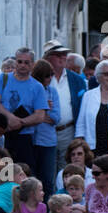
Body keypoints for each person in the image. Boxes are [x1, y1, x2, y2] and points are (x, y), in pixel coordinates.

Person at [0, 47, 47, 168]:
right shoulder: (3, 78)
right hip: (3, 134)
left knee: (23, 173)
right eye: (19, 61)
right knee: (4, 172)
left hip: (24, 138)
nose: (22, 65)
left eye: (26, 62)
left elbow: (40, 116)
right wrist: (10, 117)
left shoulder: (37, 87)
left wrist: (20, 122)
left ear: (32, 64)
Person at [43, 40, 87, 171]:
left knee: (67, 170)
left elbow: (82, 108)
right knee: (47, 170)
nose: (63, 57)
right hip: (45, 130)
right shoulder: (39, 79)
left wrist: (80, 135)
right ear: (47, 58)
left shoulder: (77, 80)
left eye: (65, 54)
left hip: (68, 131)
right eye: (58, 54)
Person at [30, 59, 60, 194]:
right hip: (30, 139)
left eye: (51, 75)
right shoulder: (30, 89)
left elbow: (56, 118)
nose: (50, 78)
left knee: (47, 180)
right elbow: (25, 112)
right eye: (47, 75)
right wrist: (42, 110)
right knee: (31, 179)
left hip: (47, 141)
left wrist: (41, 111)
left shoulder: (52, 92)